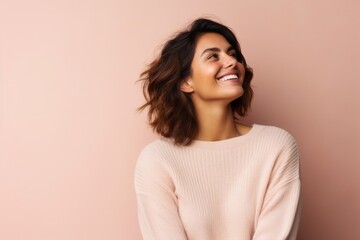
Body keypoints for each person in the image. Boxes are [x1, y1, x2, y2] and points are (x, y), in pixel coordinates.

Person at [134, 17, 301, 240]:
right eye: (213, 56)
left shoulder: (276, 146)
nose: (232, 62)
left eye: (233, 54)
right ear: (185, 82)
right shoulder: (157, 160)